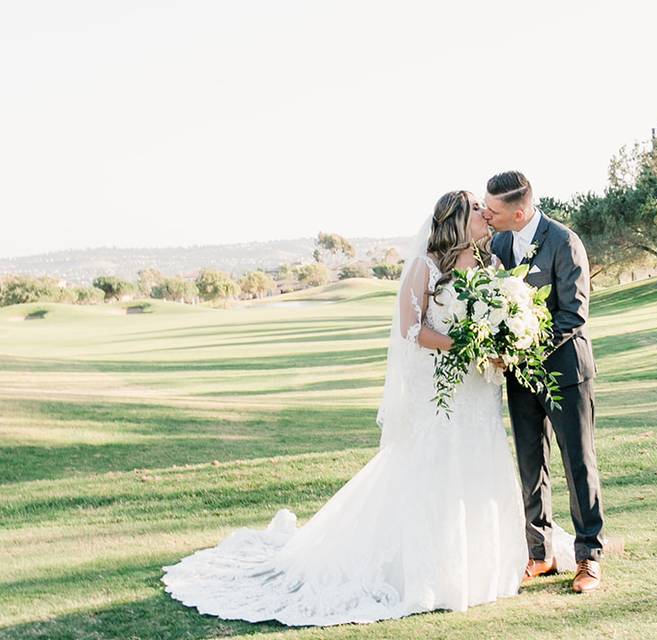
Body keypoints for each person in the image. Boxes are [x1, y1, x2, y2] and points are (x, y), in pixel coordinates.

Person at [161, 190, 575, 628]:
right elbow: (411, 330)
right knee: (433, 468)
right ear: (456, 219)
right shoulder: (426, 266)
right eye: (475, 207)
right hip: (445, 390)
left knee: (479, 466)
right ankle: (431, 571)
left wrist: (497, 346)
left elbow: (497, 320)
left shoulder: (492, 266)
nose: (484, 213)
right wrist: (468, 344)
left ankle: (484, 562)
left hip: (477, 389)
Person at [484, 170, 606, 594]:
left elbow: (573, 314)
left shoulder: (564, 242)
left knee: (578, 463)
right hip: (520, 377)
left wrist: (521, 348)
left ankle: (589, 556)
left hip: (567, 372)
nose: (486, 214)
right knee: (530, 465)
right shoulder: (498, 242)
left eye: (493, 210)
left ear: (518, 212)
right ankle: (540, 554)